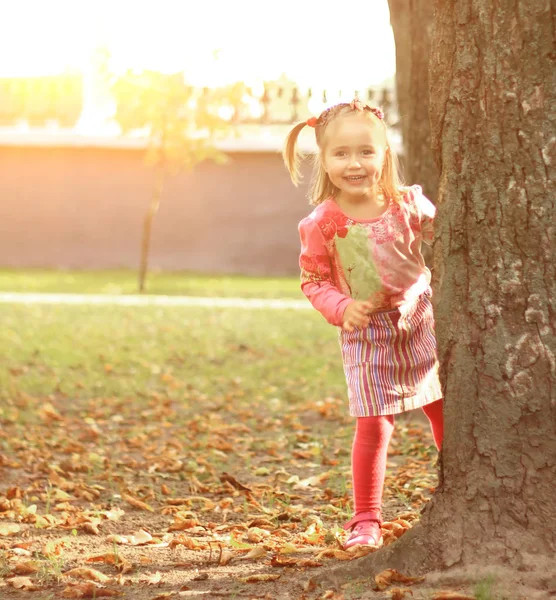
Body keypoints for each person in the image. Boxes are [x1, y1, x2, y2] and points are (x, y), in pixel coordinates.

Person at [282, 98, 444, 549]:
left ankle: (466, 486)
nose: (355, 163)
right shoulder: (323, 222)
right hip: (365, 335)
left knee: (445, 407)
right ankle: (365, 518)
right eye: (341, 154)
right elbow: (313, 280)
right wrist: (341, 307)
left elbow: (447, 235)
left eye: (366, 152)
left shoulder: (407, 203)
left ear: (384, 155)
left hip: (419, 321)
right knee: (374, 424)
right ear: (325, 161)